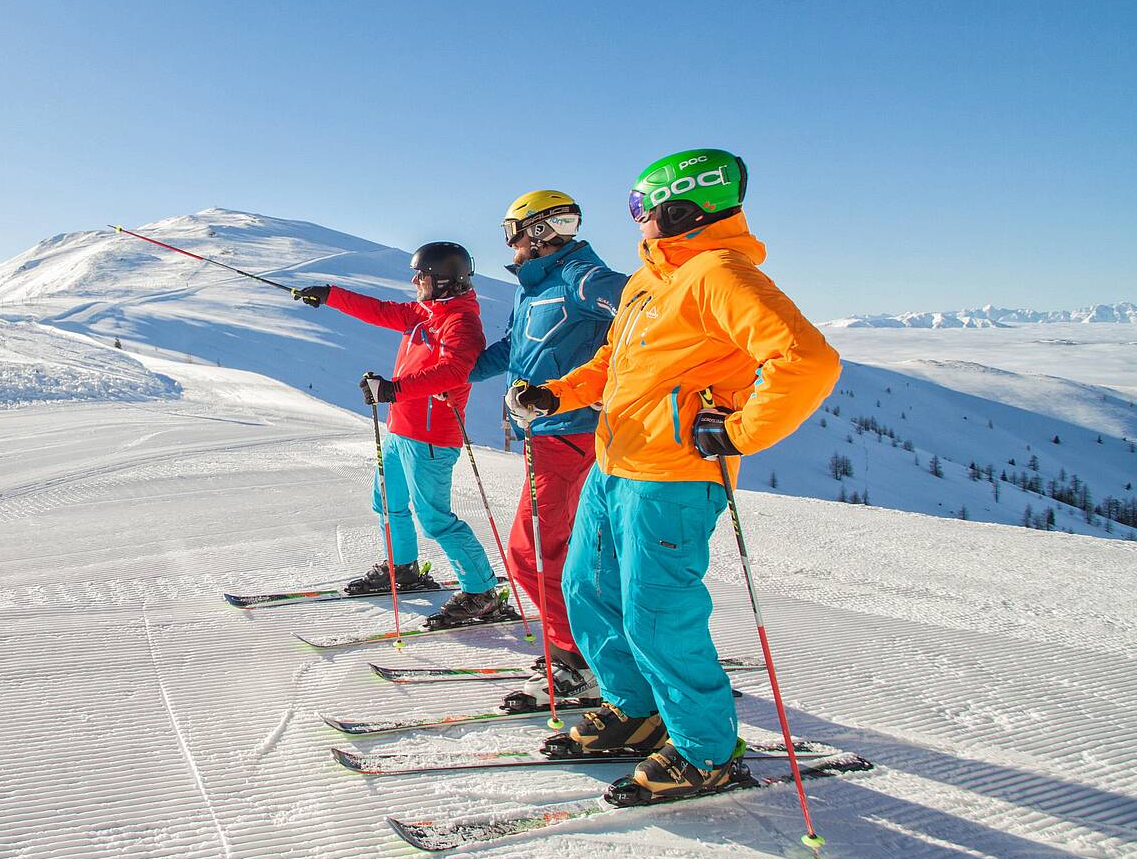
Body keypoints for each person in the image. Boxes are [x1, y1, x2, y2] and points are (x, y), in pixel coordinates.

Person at [508, 149, 840, 802]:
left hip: (675, 476)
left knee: (657, 613)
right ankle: (635, 712)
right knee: (586, 590)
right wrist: (558, 394)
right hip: (614, 462)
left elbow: (808, 359)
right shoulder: (648, 281)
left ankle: (705, 750)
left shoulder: (720, 274)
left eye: (642, 206)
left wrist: (740, 431)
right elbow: (615, 360)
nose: (635, 220)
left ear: (682, 206)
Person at [294, 243, 509, 629]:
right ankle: (403, 569)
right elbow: (378, 311)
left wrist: (393, 390)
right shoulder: (424, 312)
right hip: (400, 429)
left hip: (431, 437)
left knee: (435, 518)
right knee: (387, 502)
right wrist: (329, 295)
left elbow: (456, 370)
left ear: (441, 281)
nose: (414, 281)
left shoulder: (460, 323)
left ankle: (482, 594)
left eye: (420, 275)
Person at [468, 190, 627, 711]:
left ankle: (575, 661)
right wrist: (452, 376)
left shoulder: (581, 277)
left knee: (533, 551)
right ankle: (586, 646)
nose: (510, 242)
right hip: (548, 434)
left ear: (534, 233)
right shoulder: (535, 288)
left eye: (512, 230)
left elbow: (642, 312)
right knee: (560, 550)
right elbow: (513, 350)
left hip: (572, 434)